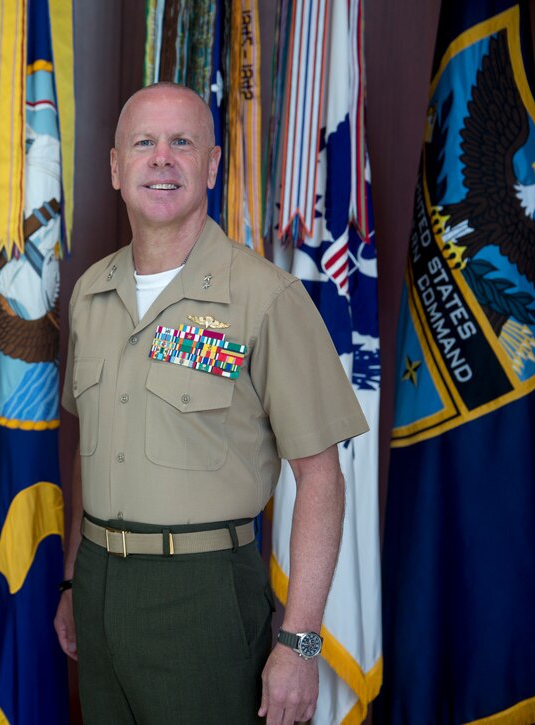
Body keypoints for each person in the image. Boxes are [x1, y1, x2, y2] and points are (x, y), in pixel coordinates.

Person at [52, 82, 369, 724]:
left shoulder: (266, 297)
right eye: (144, 143)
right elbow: (92, 444)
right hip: (97, 585)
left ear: (213, 165)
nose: (161, 159)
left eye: (182, 143)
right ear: (116, 167)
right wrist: (71, 580)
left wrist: (301, 641)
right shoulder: (90, 293)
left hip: (203, 594)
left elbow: (320, 478)